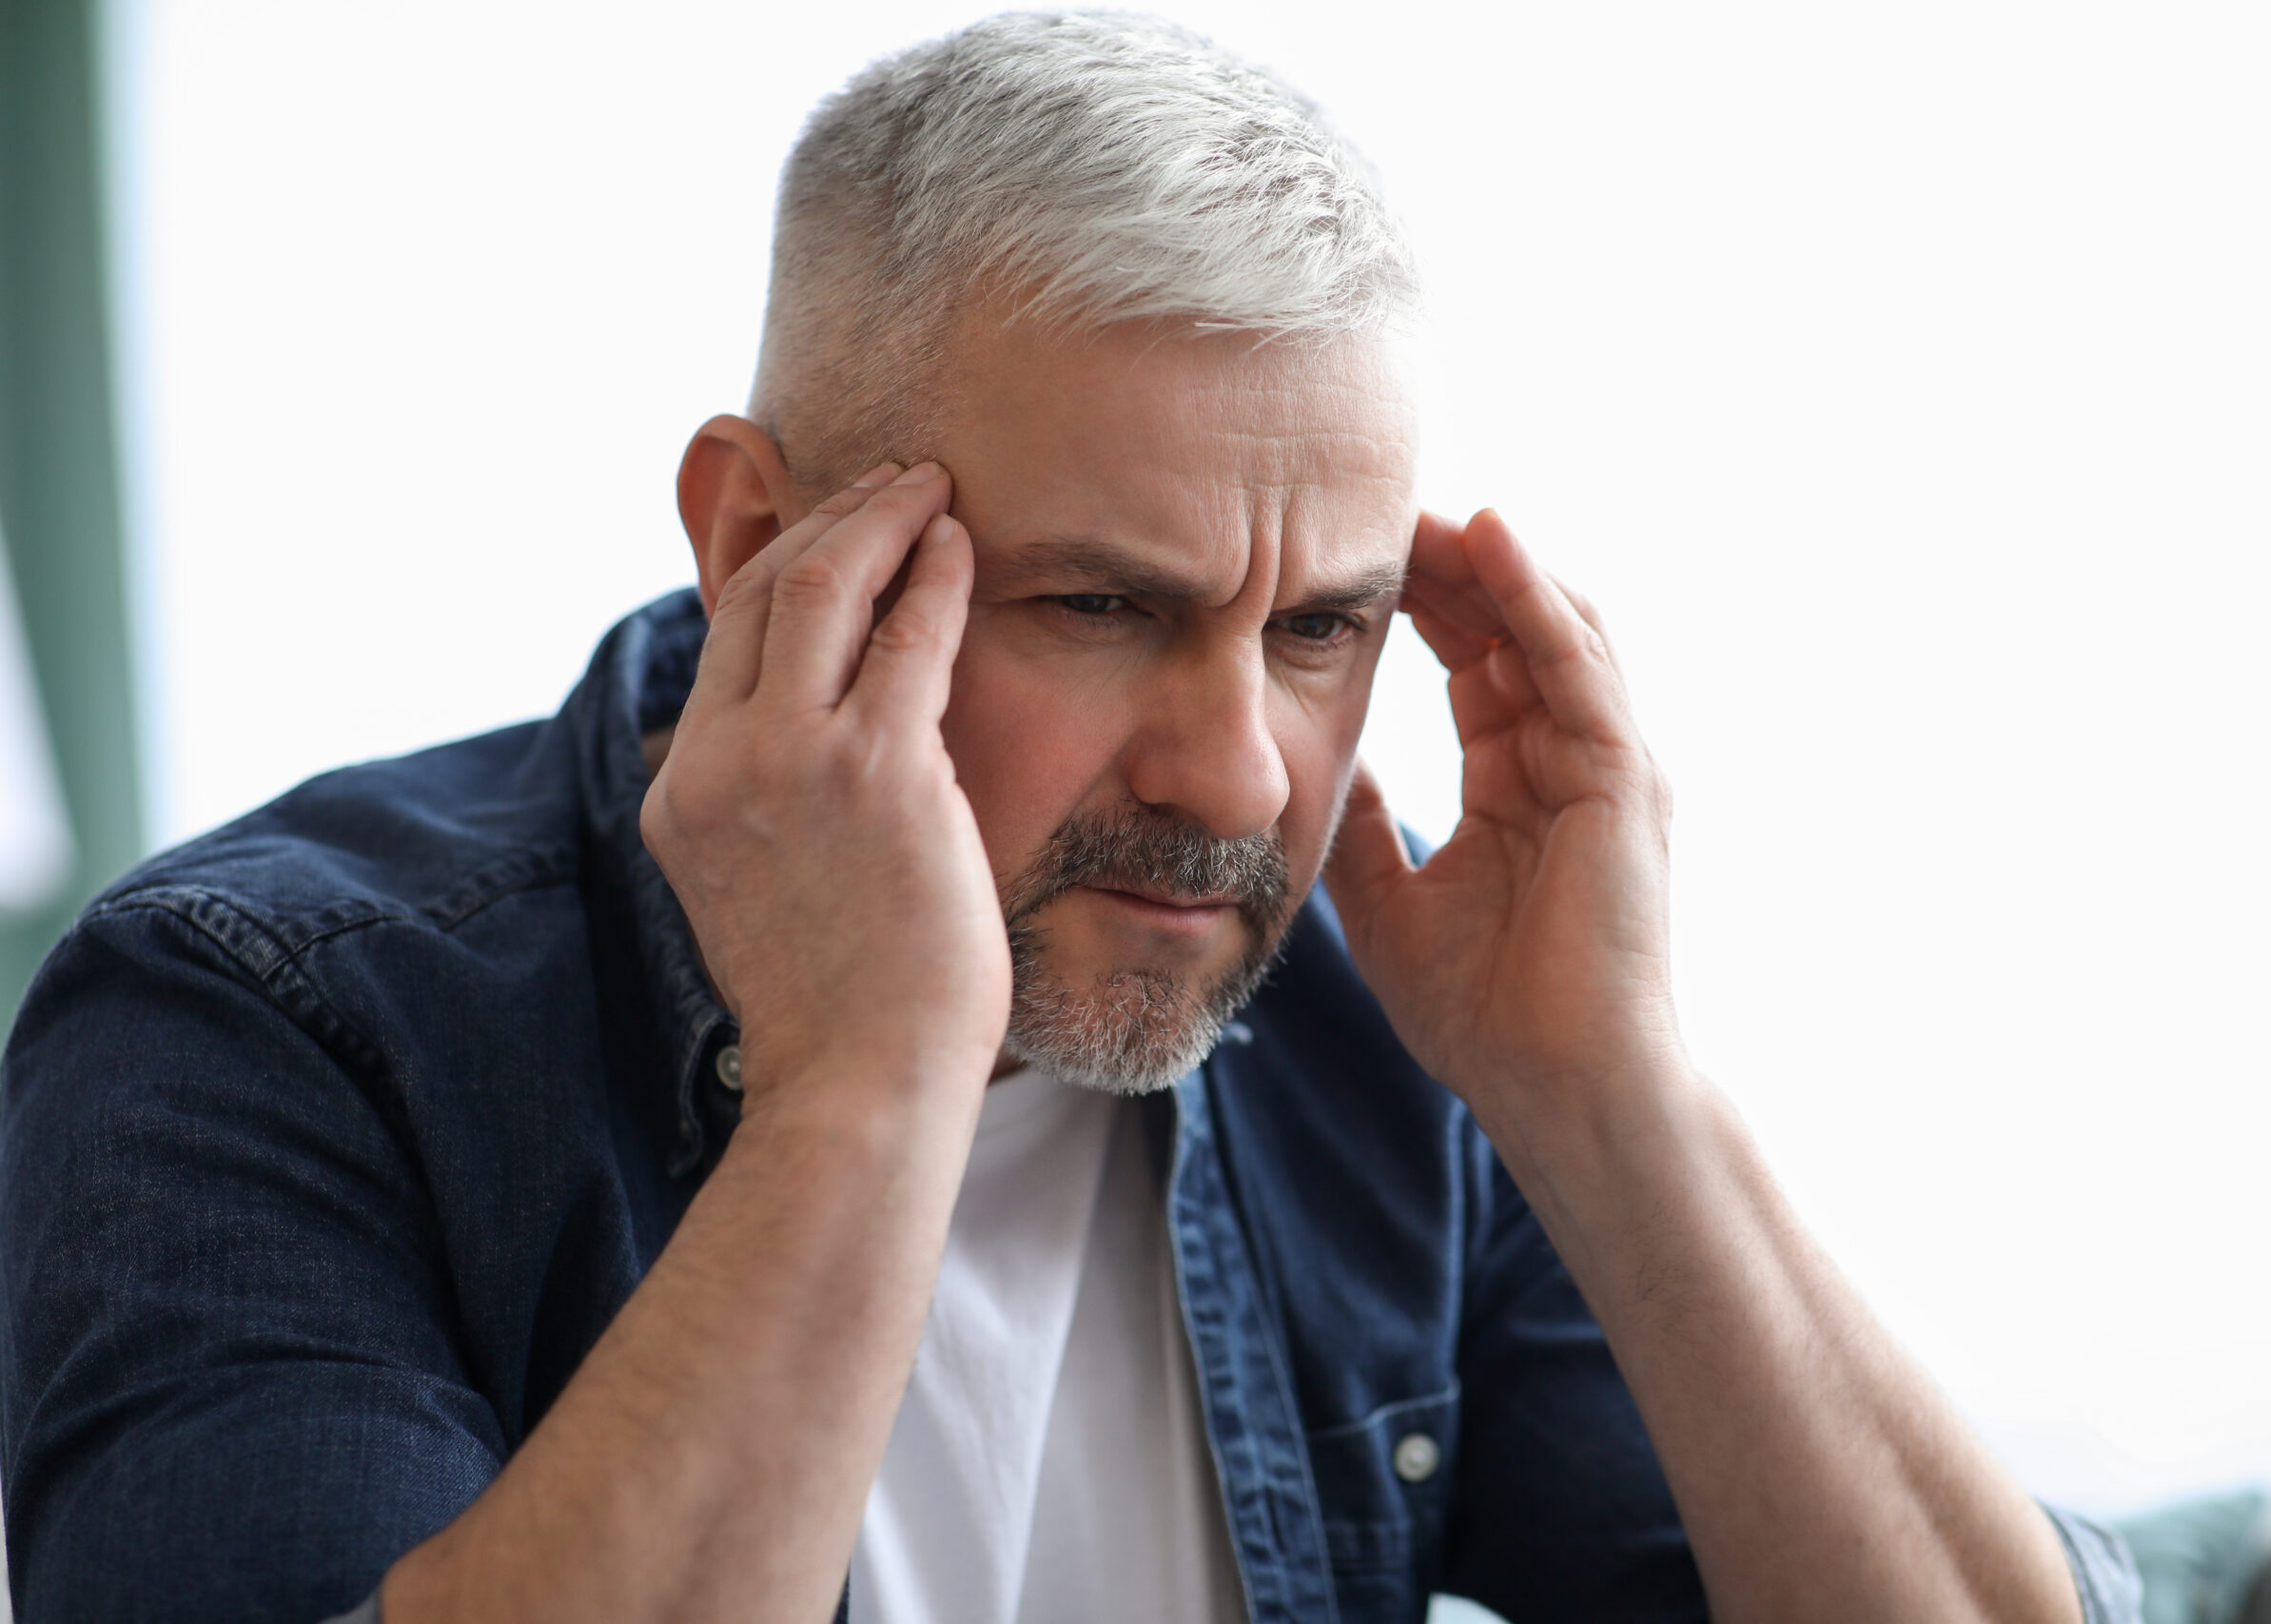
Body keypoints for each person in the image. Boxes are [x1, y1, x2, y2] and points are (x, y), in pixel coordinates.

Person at [0, 13, 2139, 1624]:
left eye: (1321, 628)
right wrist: (861, 1081)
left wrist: (1612, 1100)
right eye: (1102, 605)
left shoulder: (1364, 1034)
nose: (1233, 776)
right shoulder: (251, 1023)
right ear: (762, 542)